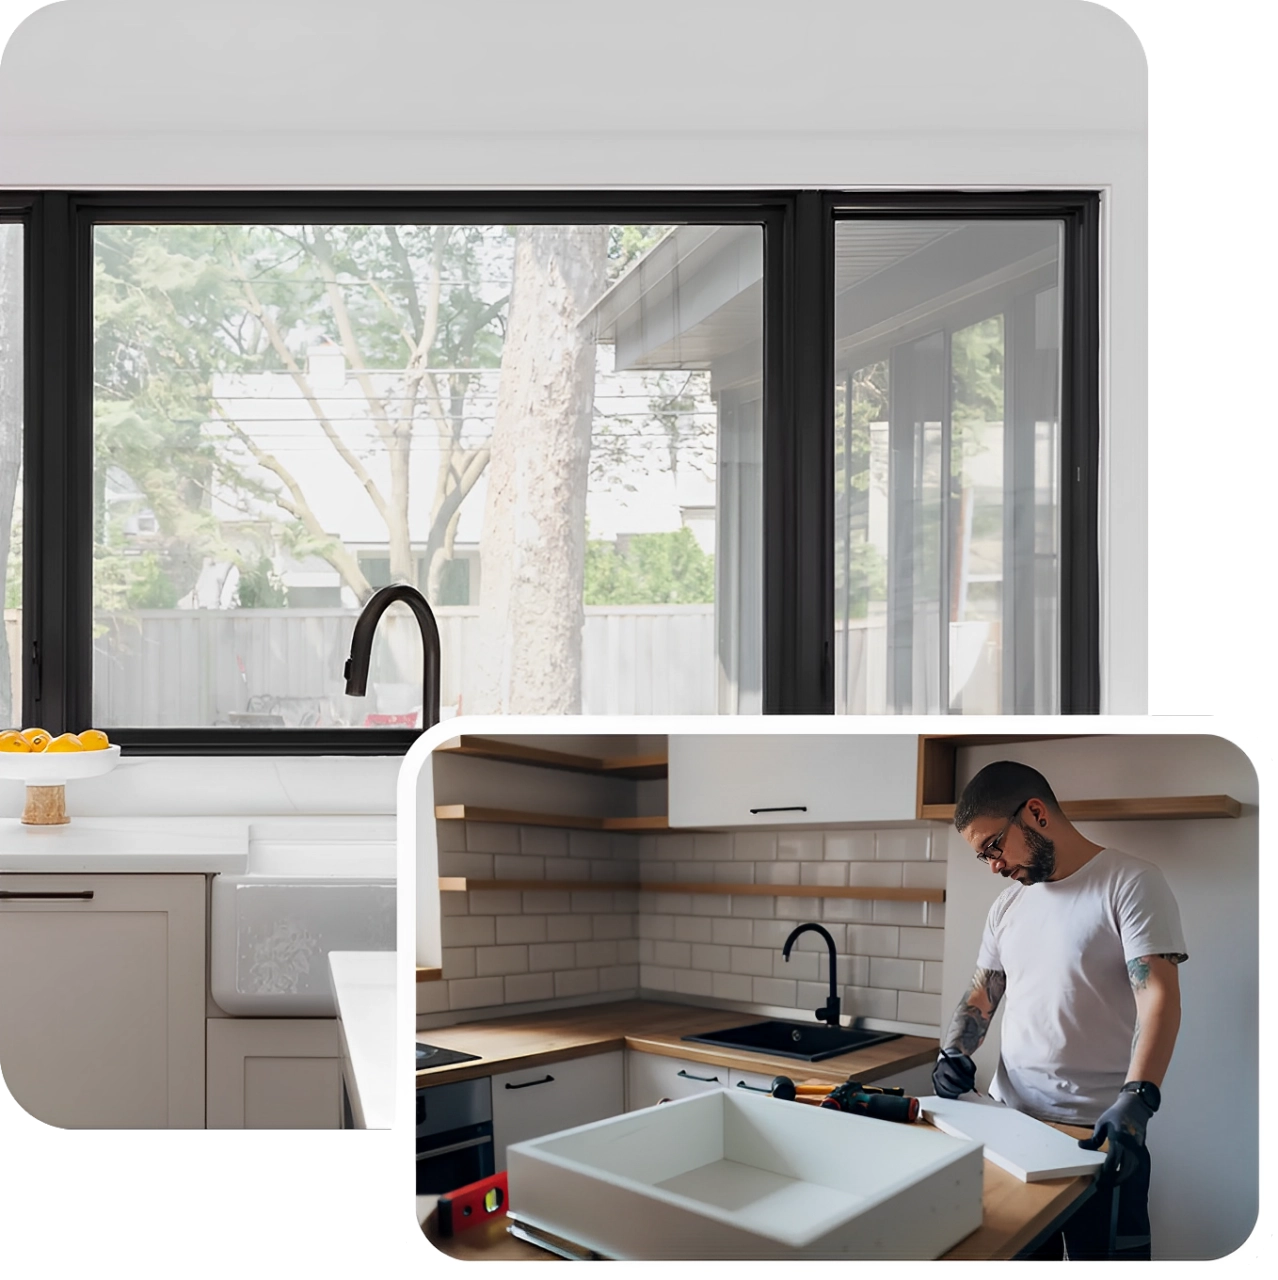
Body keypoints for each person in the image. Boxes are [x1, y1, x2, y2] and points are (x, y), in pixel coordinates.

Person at [932, 761, 1187, 1261]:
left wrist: (1139, 1099)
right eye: (982, 856)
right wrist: (952, 1053)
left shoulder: (1130, 882)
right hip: (1009, 1125)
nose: (994, 866)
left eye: (993, 847)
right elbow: (985, 991)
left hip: (1098, 1137)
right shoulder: (1008, 906)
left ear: (1035, 814)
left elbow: (1157, 995)